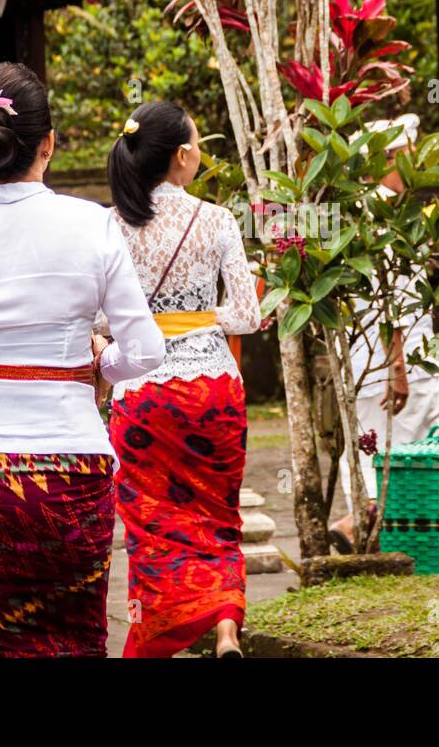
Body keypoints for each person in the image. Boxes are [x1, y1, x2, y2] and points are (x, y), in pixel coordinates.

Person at [0, 62, 165, 657]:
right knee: (73, 641)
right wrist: (98, 364)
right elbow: (145, 349)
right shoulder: (92, 226)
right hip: (68, 469)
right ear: (49, 143)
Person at [104, 100, 260, 658]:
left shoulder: (110, 224)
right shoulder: (216, 219)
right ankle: (223, 625)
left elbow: (100, 321)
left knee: (152, 524)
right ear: (183, 155)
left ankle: (156, 633)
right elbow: (247, 315)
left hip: (143, 395)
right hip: (212, 388)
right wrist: (198, 320)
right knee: (218, 514)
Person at [329, 113, 439, 554]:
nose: (416, 164)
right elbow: (391, 304)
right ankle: (364, 526)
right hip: (399, 364)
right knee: (420, 452)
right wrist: (398, 368)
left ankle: (368, 531)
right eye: (408, 156)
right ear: (386, 160)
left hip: (364, 363)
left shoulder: (358, 213)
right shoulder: (386, 219)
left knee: (367, 452)